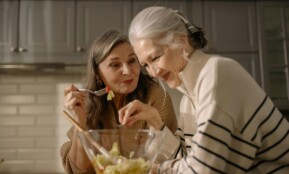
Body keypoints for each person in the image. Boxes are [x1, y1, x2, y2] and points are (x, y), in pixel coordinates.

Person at [118, 6, 289, 173]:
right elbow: (188, 159)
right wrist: (155, 120)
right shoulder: (188, 99)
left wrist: (156, 170)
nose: (154, 72)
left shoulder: (217, 72)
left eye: (155, 58)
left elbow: (204, 168)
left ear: (181, 40)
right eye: (145, 65)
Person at [60, 29, 177, 174]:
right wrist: (80, 120)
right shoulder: (87, 103)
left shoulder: (156, 96)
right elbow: (79, 171)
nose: (128, 71)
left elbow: (164, 160)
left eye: (132, 60)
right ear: (97, 74)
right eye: (115, 65)